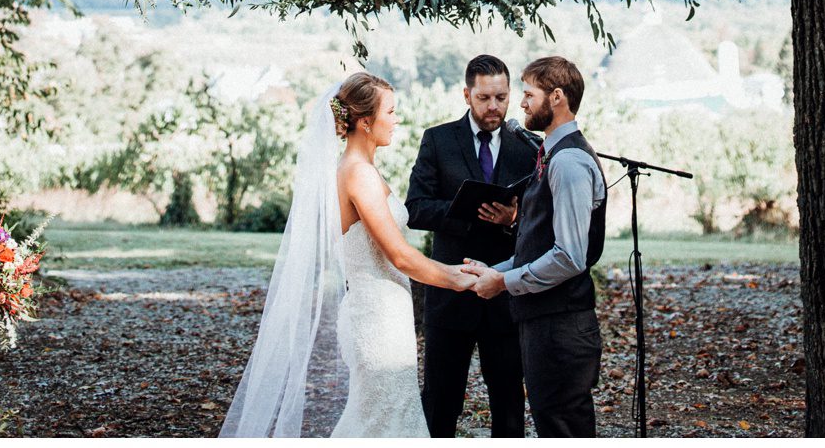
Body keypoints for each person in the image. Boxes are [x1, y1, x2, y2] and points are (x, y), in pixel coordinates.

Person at [221, 71, 477, 438]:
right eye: (390, 112)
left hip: (384, 313)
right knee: (383, 420)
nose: (397, 119)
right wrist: (461, 279)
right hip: (377, 320)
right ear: (365, 121)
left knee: (380, 418)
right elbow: (400, 257)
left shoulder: (360, 170)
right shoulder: (358, 174)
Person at [465, 55, 607, 437]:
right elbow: (540, 244)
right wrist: (497, 271)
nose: (522, 103)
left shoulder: (570, 162)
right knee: (551, 424)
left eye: (529, 94)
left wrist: (504, 283)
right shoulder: (551, 154)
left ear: (556, 97)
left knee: (563, 429)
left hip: (561, 327)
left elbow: (569, 256)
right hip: (545, 323)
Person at [405, 54, 540, 436]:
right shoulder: (438, 139)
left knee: (509, 407)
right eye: (484, 98)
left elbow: (540, 220)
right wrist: (466, 210)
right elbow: (415, 208)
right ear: (467, 95)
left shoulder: (529, 146)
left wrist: (512, 220)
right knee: (440, 404)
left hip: (506, 296)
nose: (494, 107)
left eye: (501, 97)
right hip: (450, 293)